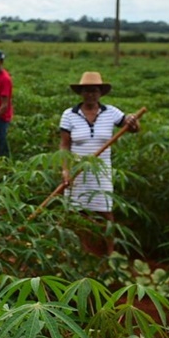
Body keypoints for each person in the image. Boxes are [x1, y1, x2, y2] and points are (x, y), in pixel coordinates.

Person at [58, 71, 139, 237]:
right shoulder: (69, 115)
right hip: (78, 172)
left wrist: (132, 120)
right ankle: (81, 251)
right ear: (81, 93)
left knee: (105, 212)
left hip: (101, 172)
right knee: (77, 213)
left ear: (100, 93)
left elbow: (133, 128)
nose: (90, 94)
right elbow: (64, 146)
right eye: (86, 91)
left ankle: (108, 254)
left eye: (94, 90)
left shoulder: (111, 112)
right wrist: (65, 170)